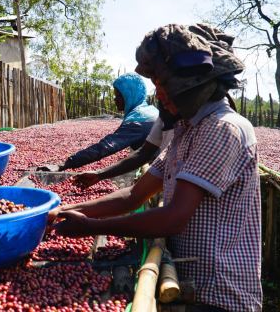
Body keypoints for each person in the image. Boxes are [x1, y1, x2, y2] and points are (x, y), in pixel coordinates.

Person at [51, 23, 262, 311]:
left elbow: (174, 218)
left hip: (216, 292)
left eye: (163, 85)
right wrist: (60, 212)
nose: (159, 94)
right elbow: (133, 196)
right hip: (185, 281)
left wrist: (92, 227)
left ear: (194, 83)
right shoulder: (186, 131)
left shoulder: (222, 129)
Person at [37, 73, 158, 172]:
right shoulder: (148, 110)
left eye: (118, 96)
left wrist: (64, 164)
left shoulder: (139, 119)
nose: (115, 100)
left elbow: (105, 147)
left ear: (129, 95)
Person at [73, 102, 177, 189]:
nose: (159, 93)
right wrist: (99, 174)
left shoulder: (143, 117)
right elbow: (144, 153)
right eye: (157, 85)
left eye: (164, 84)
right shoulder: (163, 117)